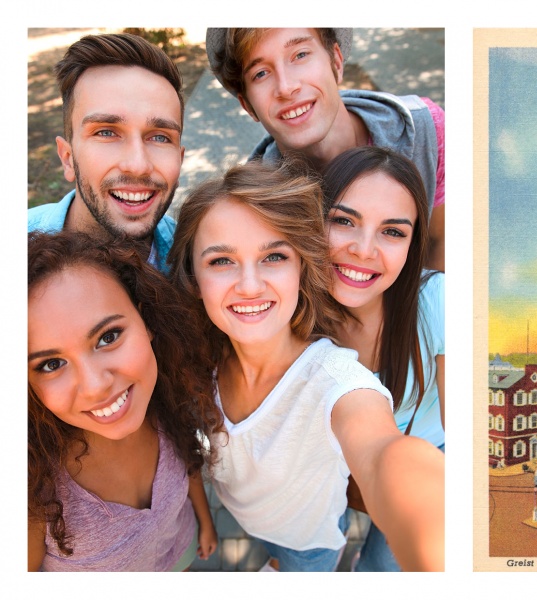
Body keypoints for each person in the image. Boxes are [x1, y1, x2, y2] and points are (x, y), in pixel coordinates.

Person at [167, 160, 445, 571]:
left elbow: (378, 447)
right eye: (221, 261)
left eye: (274, 256)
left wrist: (430, 520)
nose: (249, 285)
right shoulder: (197, 357)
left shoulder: (335, 378)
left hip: (310, 545)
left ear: (303, 266)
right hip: (255, 524)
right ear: (194, 275)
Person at [27, 230, 223, 571]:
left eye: (108, 337)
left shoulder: (164, 399)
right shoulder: (32, 493)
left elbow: (189, 462)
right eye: (51, 364)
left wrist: (204, 520)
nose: (95, 387)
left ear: (145, 321)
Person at [205, 27, 445, 272]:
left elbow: (442, 243)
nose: (286, 88)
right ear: (248, 106)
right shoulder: (254, 204)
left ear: (336, 61)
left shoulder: (425, 130)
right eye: (261, 73)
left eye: (300, 55)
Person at [321, 147, 444, 571]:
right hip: (328, 473)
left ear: (412, 245)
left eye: (392, 232)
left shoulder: (438, 301)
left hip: (425, 463)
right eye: (343, 221)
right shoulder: (286, 309)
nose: (363, 249)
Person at [28, 33, 185, 273]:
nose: (138, 165)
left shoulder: (196, 262)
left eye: (160, 137)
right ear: (67, 158)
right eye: (106, 133)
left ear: (180, 159)